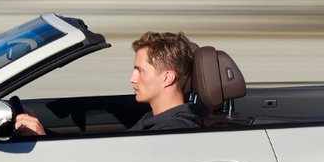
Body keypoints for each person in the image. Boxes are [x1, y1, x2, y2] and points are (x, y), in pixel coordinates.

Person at [13, 30, 203, 136]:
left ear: (168, 77)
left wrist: (44, 141)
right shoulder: (155, 121)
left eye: (140, 71)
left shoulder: (174, 132)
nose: (132, 78)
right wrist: (44, 135)